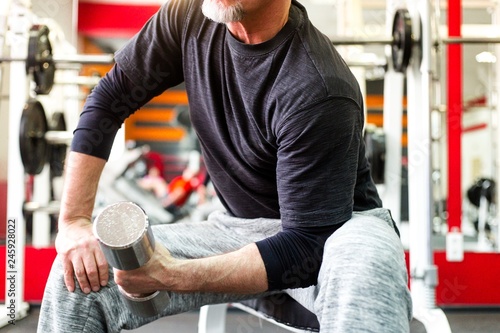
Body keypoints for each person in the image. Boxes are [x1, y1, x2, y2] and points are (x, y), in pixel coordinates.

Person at [37, 0, 412, 332]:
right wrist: (73, 221)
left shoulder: (319, 87)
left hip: (335, 230)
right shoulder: (188, 16)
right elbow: (109, 100)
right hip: (238, 227)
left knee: (365, 272)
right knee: (79, 272)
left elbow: (306, 247)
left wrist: (171, 275)